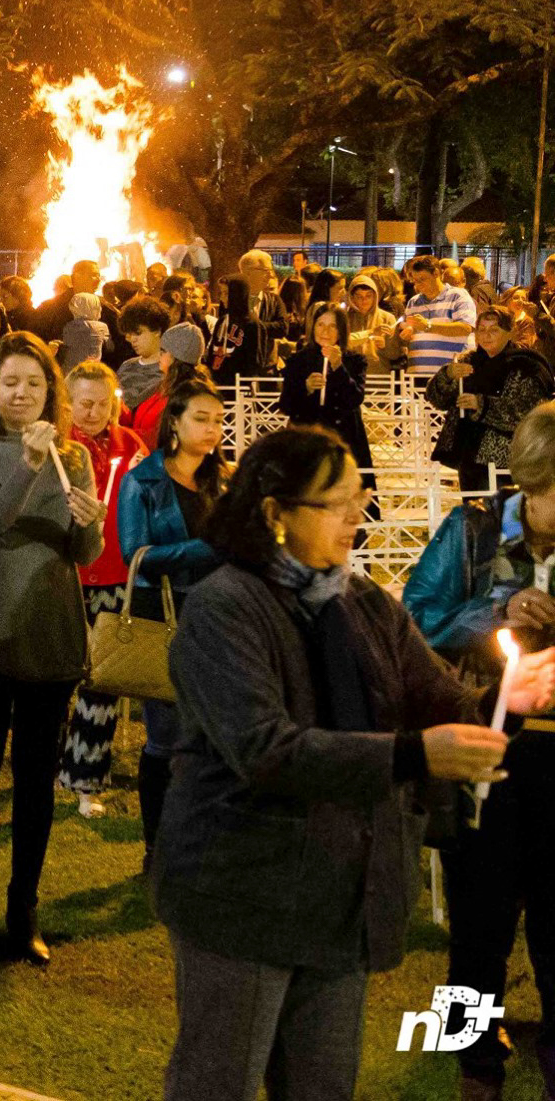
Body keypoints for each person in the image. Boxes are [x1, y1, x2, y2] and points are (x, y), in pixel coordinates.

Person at [157, 426, 554, 1101]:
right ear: (274, 513)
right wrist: (412, 753)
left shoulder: (362, 600)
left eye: (359, 497)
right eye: (336, 502)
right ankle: (471, 1052)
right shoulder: (226, 606)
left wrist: (503, 700)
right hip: (244, 892)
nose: (357, 516)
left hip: (340, 892)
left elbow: (441, 698)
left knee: (323, 1084)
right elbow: (266, 748)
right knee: (219, 1080)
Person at [402, 403, 555, 1099]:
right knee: (478, 916)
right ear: (530, 478)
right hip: (485, 749)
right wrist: (497, 611)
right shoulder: (474, 528)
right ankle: (472, 1063)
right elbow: (417, 617)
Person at [0, 332, 103, 964]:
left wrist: (90, 525)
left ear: (50, 392)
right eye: (10, 382)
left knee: (37, 777)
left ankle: (23, 907)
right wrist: (32, 464)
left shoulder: (77, 457)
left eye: (34, 384)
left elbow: (80, 554)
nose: (21, 394)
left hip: (50, 629)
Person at [116, 376, 227, 862]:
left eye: (218, 420)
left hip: (219, 617)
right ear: (174, 425)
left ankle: (202, 839)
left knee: (214, 732)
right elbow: (134, 553)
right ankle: (156, 847)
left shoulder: (222, 478)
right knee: (165, 737)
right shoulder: (143, 480)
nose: (212, 429)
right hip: (164, 613)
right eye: (200, 419)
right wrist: (207, 548)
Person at [55, 360, 148, 819]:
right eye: (83, 403)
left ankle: (86, 777)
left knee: (103, 682)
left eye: (101, 403)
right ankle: (47, 762)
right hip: (63, 575)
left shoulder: (130, 447)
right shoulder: (57, 446)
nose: (92, 412)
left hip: (112, 575)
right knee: (56, 677)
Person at [427, 307, 555, 488]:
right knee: (475, 511)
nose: (486, 335)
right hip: (467, 453)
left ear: (510, 333)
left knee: (501, 511)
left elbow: (528, 413)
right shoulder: (469, 362)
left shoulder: (525, 365)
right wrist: (447, 375)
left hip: (504, 459)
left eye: (494, 330)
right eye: (482, 329)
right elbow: (436, 400)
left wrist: (482, 404)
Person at [279, 303, 375, 477]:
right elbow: (286, 405)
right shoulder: (298, 360)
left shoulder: (355, 360)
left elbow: (355, 398)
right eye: (321, 325)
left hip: (345, 440)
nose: (326, 331)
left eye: (333, 326)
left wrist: (338, 367)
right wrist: (305, 387)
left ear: (341, 331)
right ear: (313, 326)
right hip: (307, 440)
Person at [130, 324, 209, 452]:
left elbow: (165, 436)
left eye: (163, 351)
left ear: (176, 358)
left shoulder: (186, 394)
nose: (158, 356)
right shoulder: (163, 386)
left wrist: (128, 435)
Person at [399, 251, 477, 380]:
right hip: (418, 374)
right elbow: (410, 333)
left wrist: (428, 326)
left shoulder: (458, 296)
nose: (418, 285)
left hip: (449, 375)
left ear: (436, 273)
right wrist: (406, 334)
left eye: (422, 279)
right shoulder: (414, 302)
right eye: (415, 281)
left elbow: (465, 328)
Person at [115, 298, 172, 411]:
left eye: (138, 333)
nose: (133, 340)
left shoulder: (171, 369)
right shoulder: (126, 366)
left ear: (157, 330)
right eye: (130, 334)